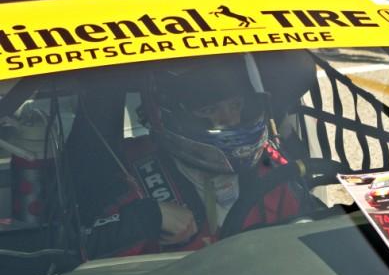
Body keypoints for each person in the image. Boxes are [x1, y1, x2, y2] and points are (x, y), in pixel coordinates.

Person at [69, 55, 312, 258]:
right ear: (172, 114)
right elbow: (79, 249)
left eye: (235, 106)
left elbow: (306, 241)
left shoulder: (271, 165)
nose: (231, 120)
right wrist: (147, 218)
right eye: (210, 110)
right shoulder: (127, 168)